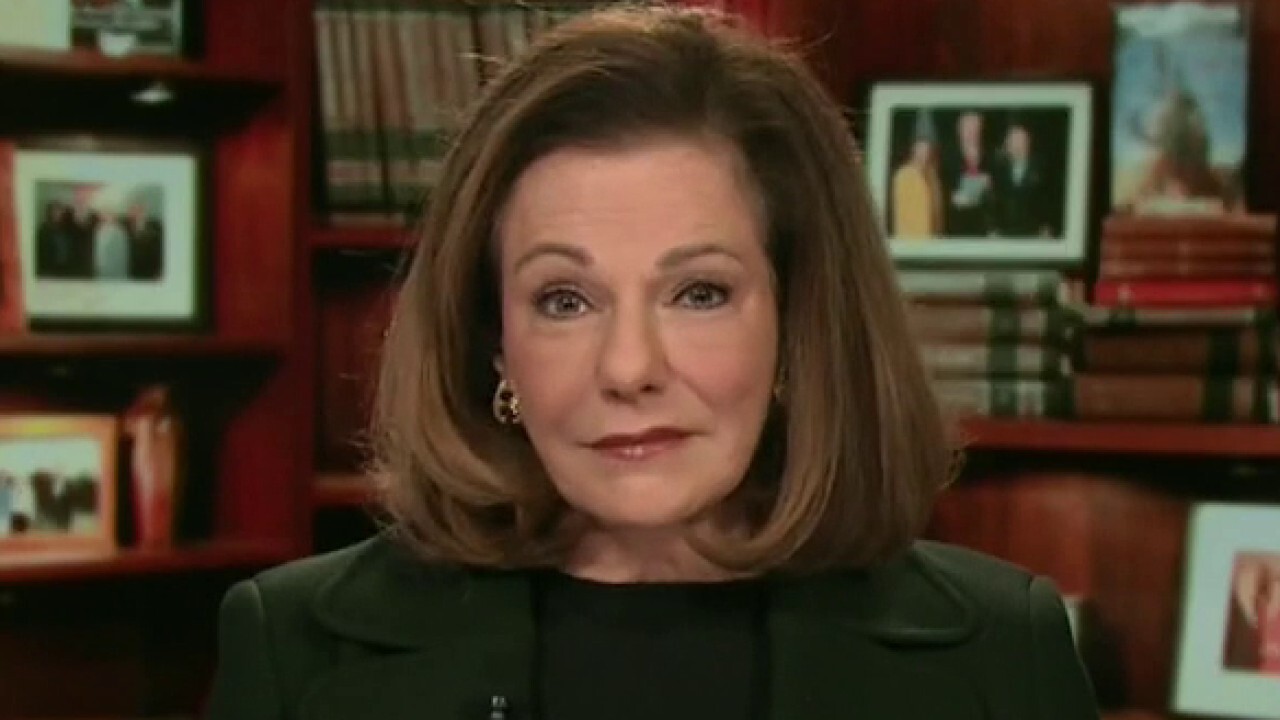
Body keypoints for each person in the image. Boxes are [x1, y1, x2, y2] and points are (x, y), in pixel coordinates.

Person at [205, 7, 1098, 720]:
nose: (629, 367)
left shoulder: (999, 654)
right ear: (493, 340)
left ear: (797, 324)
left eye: (699, 293)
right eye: (565, 300)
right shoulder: (297, 651)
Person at [992, 120, 1053, 237]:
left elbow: (1049, 200)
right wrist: (993, 228)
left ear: (1028, 142)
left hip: (1035, 232)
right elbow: (994, 201)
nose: (1017, 146)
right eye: (1013, 141)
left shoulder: (1042, 167)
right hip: (1005, 232)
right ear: (1007, 145)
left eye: (1020, 141)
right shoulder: (998, 169)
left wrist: (1047, 226)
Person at [940, 110, 996, 236]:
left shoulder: (990, 158)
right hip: (955, 230)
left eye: (976, 128)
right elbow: (941, 195)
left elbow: (996, 199)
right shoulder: (946, 158)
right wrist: (955, 198)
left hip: (983, 230)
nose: (972, 133)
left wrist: (990, 189)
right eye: (968, 128)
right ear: (959, 131)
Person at [890, 109, 944, 239]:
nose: (925, 151)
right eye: (921, 145)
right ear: (914, 147)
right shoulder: (904, 176)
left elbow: (937, 220)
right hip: (911, 243)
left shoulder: (933, 179)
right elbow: (902, 219)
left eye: (928, 147)